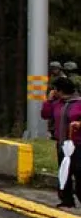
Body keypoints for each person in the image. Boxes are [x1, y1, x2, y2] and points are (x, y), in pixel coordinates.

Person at [42, 76, 81, 208]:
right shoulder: (57, 103)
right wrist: (48, 100)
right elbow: (45, 114)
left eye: (55, 90)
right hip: (62, 143)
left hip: (77, 144)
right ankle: (66, 199)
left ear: (60, 90)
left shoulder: (78, 103)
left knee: (78, 171)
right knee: (64, 171)